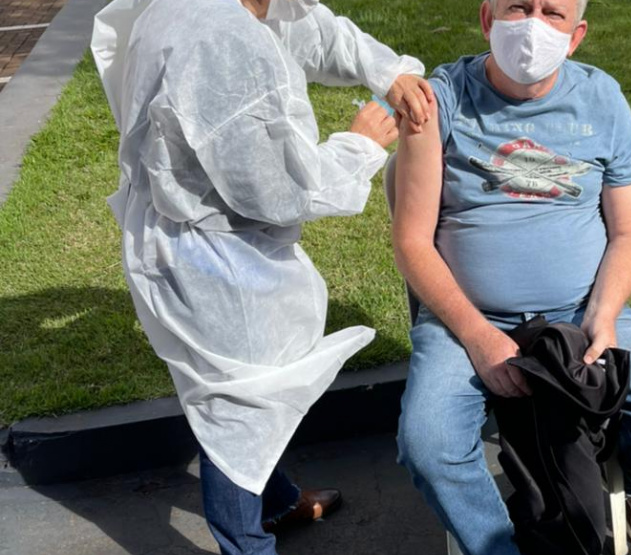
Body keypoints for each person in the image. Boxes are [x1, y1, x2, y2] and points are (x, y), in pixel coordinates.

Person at [90, 0, 433, 553]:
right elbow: (281, 190)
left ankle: (273, 501)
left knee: (248, 394)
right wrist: (360, 145)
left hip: (189, 236)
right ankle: (247, 543)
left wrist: (386, 70)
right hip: (216, 257)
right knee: (238, 409)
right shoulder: (224, 41)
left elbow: (314, 32)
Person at [392, 1, 631, 554]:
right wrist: (477, 337)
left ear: (576, 36)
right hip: (466, 321)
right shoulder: (441, 100)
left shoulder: (602, 100)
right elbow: (411, 242)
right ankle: (496, 545)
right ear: (487, 18)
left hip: (581, 309)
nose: (532, 25)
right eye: (518, 6)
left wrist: (605, 315)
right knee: (428, 444)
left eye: (552, 13)